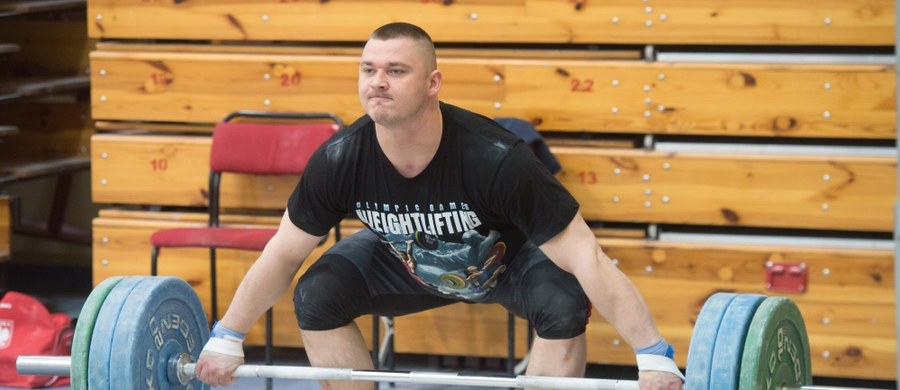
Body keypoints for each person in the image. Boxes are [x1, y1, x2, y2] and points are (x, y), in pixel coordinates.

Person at [194, 22, 685, 390]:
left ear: (432, 83)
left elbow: (587, 257)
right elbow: (283, 254)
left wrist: (653, 354)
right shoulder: (340, 158)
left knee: (564, 301)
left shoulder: (497, 159)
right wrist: (226, 336)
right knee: (317, 293)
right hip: (402, 260)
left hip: (508, 262)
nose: (377, 82)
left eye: (396, 70)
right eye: (369, 70)